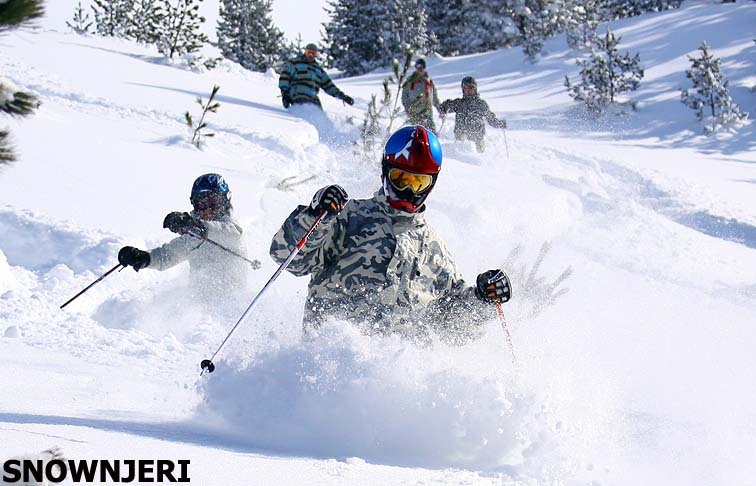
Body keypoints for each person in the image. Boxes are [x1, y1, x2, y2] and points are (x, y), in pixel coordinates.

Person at [269, 126, 511, 346]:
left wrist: (483, 300)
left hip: (389, 382)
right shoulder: (349, 217)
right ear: (385, 172)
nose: (407, 190)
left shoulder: (433, 248)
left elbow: (451, 325)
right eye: (400, 178)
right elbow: (289, 258)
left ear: (431, 184)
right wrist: (315, 216)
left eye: (418, 183)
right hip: (325, 368)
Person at [118, 173, 255, 303]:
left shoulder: (232, 230)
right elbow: (167, 255)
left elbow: (226, 233)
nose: (207, 210)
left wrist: (193, 225)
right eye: (201, 204)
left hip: (234, 305)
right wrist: (143, 258)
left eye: (213, 203)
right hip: (198, 308)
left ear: (225, 202)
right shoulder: (193, 237)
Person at [439, 76, 507, 153]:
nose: (468, 90)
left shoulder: (481, 104)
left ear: (475, 88)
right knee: (460, 158)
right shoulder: (459, 103)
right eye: (465, 87)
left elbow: (491, 119)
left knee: (478, 158)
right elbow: (445, 106)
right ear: (463, 89)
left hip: (477, 139)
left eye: (471, 87)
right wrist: (443, 108)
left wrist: (500, 124)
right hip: (461, 139)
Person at [278, 43, 354, 110]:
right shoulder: (295, 63)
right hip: (299, 94)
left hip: (313, 98)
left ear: (316, 55)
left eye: (313, 53)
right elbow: (285, 77)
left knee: (319, 115)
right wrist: (285, 93)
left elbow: (329, 85)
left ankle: (324, 125)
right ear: (305, 52)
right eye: (309, 53)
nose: (310, 55)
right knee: (306, 110)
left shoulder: (318, 69)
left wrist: (343, 97)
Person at [401, 58, 442, 133]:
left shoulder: (429, 81)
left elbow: (434, 97)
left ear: (424, 67)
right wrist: (408, 108)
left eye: (421, 67)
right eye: (418, 66)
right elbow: (404, 97)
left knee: (431, 135)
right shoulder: (410, 81)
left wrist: (440, 109)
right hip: (415, 114)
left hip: (427, 114)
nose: (420, 69)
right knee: (417, 137)